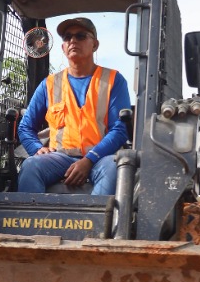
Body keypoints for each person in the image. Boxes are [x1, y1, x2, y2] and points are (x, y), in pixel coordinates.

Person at [17, 17, 130, 194]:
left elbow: (120, 129)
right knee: (31, 166)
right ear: (63, 47)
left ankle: (98, 221)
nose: (73, 41)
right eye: (67, 37)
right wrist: (37, 149)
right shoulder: (49, 84)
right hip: (59, 158)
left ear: (95, 44)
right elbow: (25, 127)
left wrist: (90, 159)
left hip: (101, 158)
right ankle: (33, 221)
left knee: (114, 168)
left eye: (80, 36)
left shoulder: (113, 80)